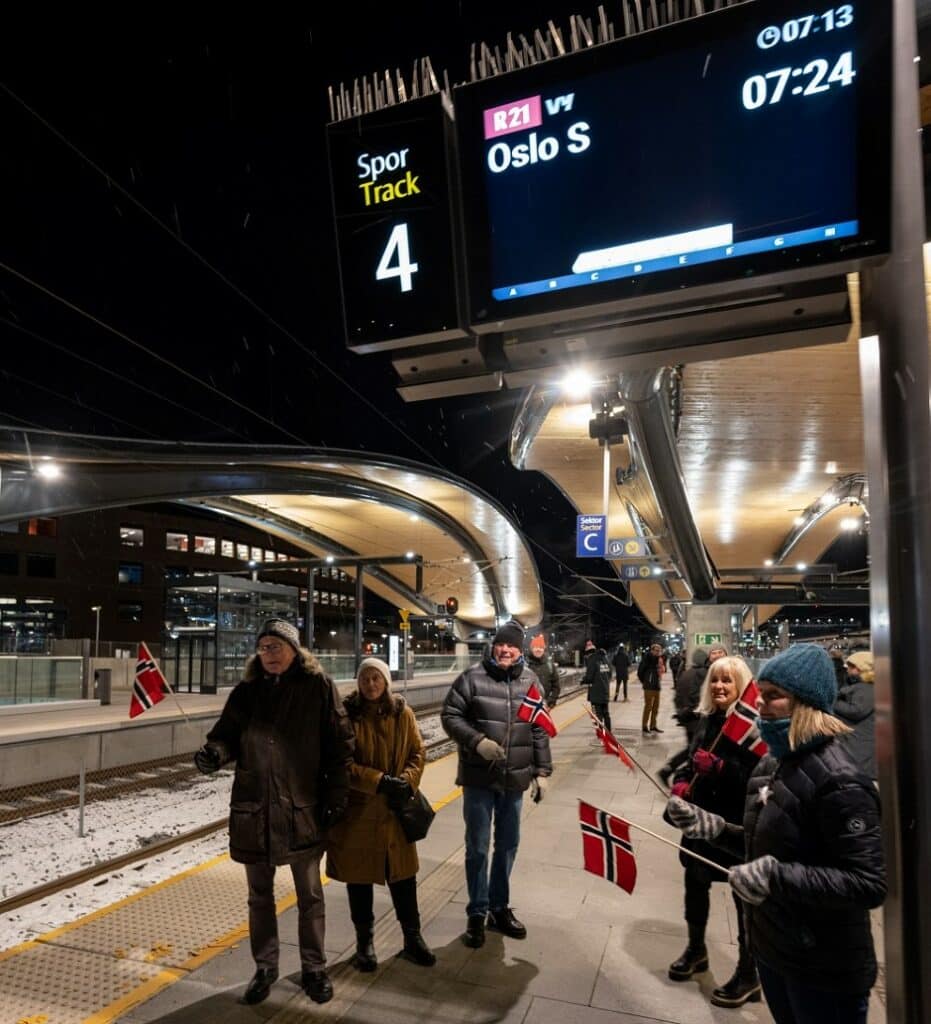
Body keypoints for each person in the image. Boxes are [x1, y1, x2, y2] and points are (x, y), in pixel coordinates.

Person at [667, 644, 885, 1024]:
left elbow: (867, 883)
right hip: (776, 950)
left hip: (823, 968)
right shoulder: (774, 764)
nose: (759, 706)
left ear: (806, 703)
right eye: (760, 695)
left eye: (772, 697)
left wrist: (775, 877)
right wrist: (717, 829)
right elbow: (762, 845)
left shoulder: (841, 781)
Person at [194, 619, 355, 1006]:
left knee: (310, 895)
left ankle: (314, 967)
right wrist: (215, 753)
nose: (268, 655)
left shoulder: (318, 687)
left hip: (303, 809)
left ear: (294, 650)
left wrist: (336, 796)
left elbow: (341, 745)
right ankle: (265, 966)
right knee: (259, 896)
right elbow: (226, 734)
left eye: (275, 647)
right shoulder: (247, 691)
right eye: (263, 647)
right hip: (255, 810)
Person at [441, 619, 553, 949]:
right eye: (501, 644)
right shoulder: (472, 678)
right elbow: (451, 715)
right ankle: (477, 911)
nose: (505, 650)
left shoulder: (531, 681)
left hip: (515, 778)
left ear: (520, 650)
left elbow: (538, 728)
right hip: (479, 777)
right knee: (477, 847)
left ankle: (499, 907)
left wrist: (543, 771)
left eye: (512, 646)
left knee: (507, 845)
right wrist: (476, 741)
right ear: (494, 646)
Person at [326, 657, 436, 971]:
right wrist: (378, 781)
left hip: (395, 812)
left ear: (386, 682)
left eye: (376, 678)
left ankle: (412, 938)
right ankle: (364, 942)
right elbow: (341, 764)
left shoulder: (403, 713)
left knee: (404, 877)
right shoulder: (346, 717)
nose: (371, 685)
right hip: (359, 813)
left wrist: (407, 781)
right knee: (358, 879)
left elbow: (419, 751)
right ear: (358, 683)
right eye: (365, 679)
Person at [665, 656, 762, 1008]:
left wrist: (721, 768)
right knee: (695, 883)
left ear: (741, 687)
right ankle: (696, 949)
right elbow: (691, 762)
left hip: (735, 827)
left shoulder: (753, 729)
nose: (720, 686)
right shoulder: (707, 721)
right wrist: (680, 784)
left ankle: (749, 972)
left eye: (729, 681)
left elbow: (758, 780)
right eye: (716, 680)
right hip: (700, 822)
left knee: (743, 897)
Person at [658, 647, 709, 786]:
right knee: (696, 750)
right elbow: (698, 697)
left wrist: (681, 712)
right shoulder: (703, 674)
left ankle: (669, 770)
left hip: (686, 719)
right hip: (697, 719)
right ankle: (680, 775)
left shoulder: (686, 674)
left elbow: (677, 697)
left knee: (692, 748)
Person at [834, 650, 876, 780]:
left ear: (860, 669)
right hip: (856, 741)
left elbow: (857, 711)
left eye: (851, 667)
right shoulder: (862, 687)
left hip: (859, 745)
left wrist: (833, 702)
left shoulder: (865, 688)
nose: (847, 669)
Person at [583, 639, 613, 732]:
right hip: (605, 690)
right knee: (606, 713)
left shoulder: (592, 660)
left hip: (596, 693)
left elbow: (589, 677)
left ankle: (601, 734)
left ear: (588, 653)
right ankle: (609, 732)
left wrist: (584, 680)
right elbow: (610, 673)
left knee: (597, 715)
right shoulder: (605, 659)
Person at [526, 634, 560, 708]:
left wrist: (551, 702)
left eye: (541, 647)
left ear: (544, 649)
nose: (538, 649)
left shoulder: (550, 665)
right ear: (531, 648)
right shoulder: (525, 665)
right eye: (536, 647)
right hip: (527, 706)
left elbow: (556, 686)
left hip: (545, 706)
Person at [637, 642, 664, 733]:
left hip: (657, 686)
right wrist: (645, 681)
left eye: (659, 651)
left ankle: (653, 725)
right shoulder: (647, 659)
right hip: (649, 687)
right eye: (656, 650)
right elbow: (640, 672)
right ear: (652, 650)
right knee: (648, 706)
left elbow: (661, 670)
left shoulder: (658, 660)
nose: (658, 652)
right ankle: (644, 725)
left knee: (656, 707)